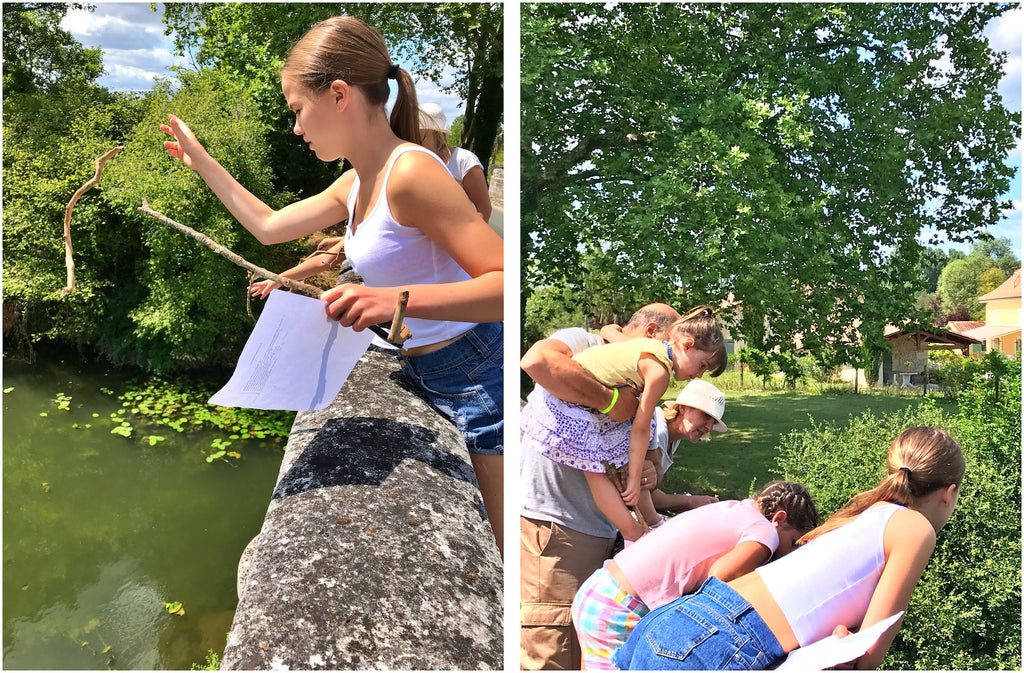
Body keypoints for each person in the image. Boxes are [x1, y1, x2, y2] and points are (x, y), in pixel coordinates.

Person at [159, 16, 505, 556]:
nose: (296, 127)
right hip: (424, 364)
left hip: (478, 375)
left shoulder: (412, 172)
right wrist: (201, 161)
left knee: (503, 553)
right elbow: (270, 228)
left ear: (339, 94)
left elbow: (505, 284)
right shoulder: (355, 179)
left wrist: (392, 300)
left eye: (298, 110)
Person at [613, 426, 965, 671]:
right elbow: (867, 656)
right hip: (720, 645)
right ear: (948, 493)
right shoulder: (917, 528)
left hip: (675, 622)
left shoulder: (863, 516)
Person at [521, 303, 717, 670]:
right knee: (552, 648)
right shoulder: (581, 342)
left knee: (588, 643)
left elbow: (647, 462)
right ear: (653, 334)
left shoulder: (639, 375)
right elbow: (536, 361)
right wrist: (611, 400)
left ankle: (644, 530)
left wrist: (646, 475)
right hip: (557, 525)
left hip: (598, 528)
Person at [522, 306, 728, 543]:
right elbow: (640, 428)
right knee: (597, 470)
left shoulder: (652, 347)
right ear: (686, 344)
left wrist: (609, 329)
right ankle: (633, 533)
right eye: (702, 366)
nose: (698, 375)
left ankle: (650, 522)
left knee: (611, 457)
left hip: (575, 401)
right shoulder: (660, 372)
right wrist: (633, 477)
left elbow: (614, 335)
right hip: (572, 406)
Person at [248, 103, 493, 300]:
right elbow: (327, 256)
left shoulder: (450, 162)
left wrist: (452, 241)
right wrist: (280, 278)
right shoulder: (360, 182)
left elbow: (482, 210)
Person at [571, 481, 817, 670]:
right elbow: (719, 580)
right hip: (621, 609)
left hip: (602, 589)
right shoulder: (766, 533)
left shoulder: (731, 509)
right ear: (780, 518)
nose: (790, 553)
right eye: (795, 542)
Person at [418, 103, 492, 222]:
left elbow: (483, 207)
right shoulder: (413, 160)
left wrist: (470, 236)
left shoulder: (463, 160)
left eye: (419, 133)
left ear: (436, 134)